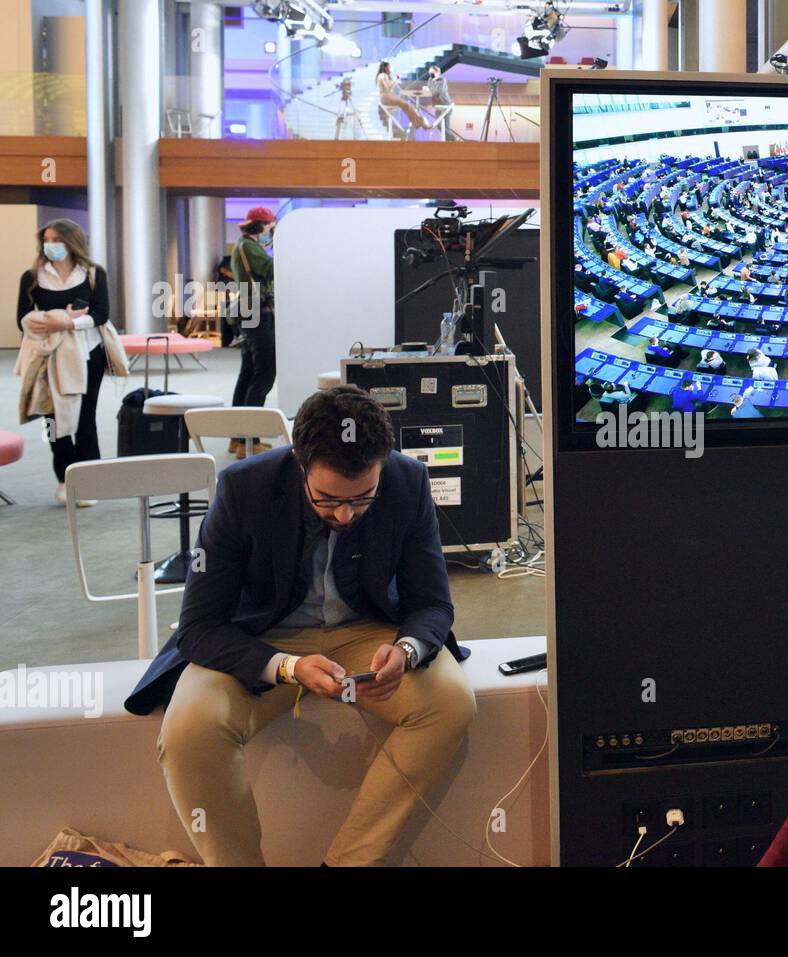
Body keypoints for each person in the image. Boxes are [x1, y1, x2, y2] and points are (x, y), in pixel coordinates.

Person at [124, 386, 476, 866]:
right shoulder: (242, 488)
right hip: (260, 639)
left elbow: (433, 602)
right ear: (299, 462)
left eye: (362, 499)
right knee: (189, 730)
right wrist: (287, 667)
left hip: (365, 632)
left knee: (451, 704)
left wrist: (409, 650)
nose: (345, 515)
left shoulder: (408, 481)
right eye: (327, 499)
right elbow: (200, 626)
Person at [14, 218, 128, 505]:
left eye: (57, 240)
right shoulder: (32, 277)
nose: (51, 245)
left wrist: (64, 322)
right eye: (47, 240)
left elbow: (101, 314)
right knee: (53, 418)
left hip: (89, 353)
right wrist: (64, 318)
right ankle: (65, 478)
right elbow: (23, 319)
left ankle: (88, 478)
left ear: (72, 242)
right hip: (48, 357)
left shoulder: (92, 273)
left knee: (85, 417)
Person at [229, 206, 279, 456]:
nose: (272, 231)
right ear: (261, 226)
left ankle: (239, 438)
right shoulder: (249, 247)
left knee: (248, 374)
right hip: (257, 313)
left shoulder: (243, 245)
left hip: (249, 313)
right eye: (272, 227)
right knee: (265, 372)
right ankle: (249, 440)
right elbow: (272, 271)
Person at [375, 61, 431, 130]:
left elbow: (388, 88)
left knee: (407, 106)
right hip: (386, 97)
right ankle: (419, 121)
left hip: (387, 97)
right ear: (386, 68)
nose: (391, 69)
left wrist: (395, 81)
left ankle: (417, 122)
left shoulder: (383, 76)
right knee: (407, 105)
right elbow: (387, 88)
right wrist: (395, 81)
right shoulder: (383, 75)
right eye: (390, 67)